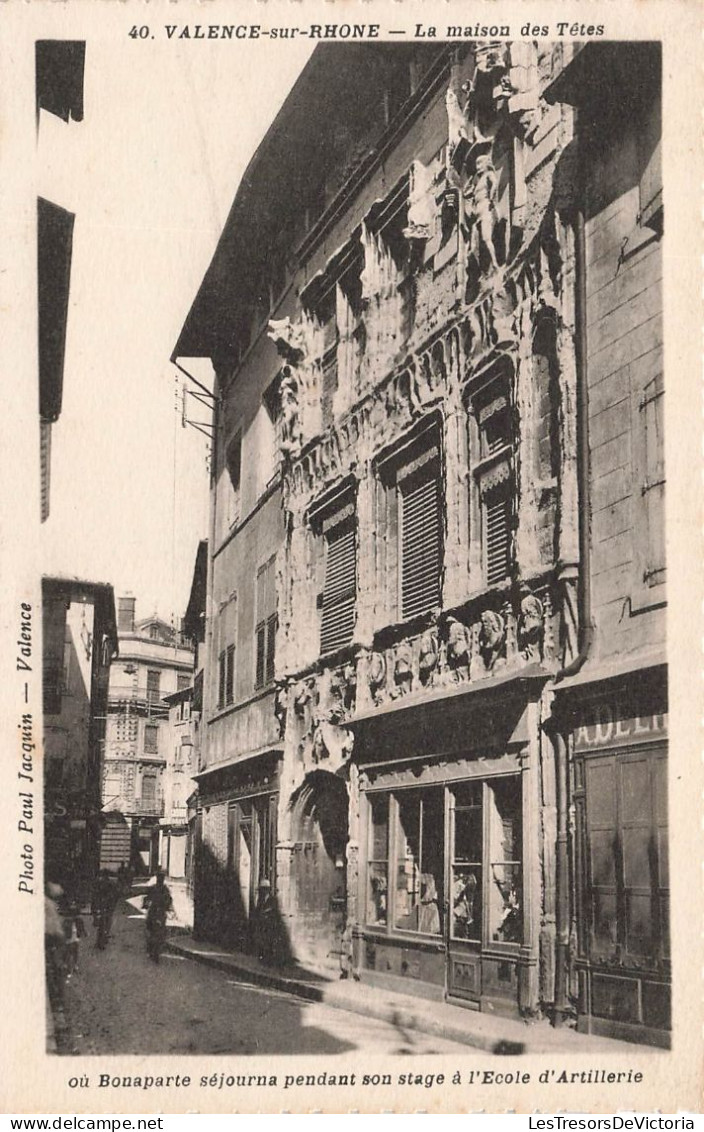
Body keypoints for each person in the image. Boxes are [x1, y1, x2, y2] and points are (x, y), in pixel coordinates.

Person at [143, 871, 173, 963]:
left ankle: (151, 948)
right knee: (155, 931)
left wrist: (145, 905)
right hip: (158, 913)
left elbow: (146, 899)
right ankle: (153, 948)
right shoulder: (164, 889)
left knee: (154, 931)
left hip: (155, 912)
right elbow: (169, 900)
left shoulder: (155, 888)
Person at [91, 869, 118, 949]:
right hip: (106, 906)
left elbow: (95, 896)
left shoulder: (100, 884)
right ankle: (103, 940)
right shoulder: (111, 884)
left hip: (103, 906)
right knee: (105, 924)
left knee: (102, 924)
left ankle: (101, 941)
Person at [62, 899, 86, 978]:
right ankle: (68, 967)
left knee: (75, 951)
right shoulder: (67, 922)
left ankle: (74, 965)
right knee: (68, 952)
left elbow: (81, 927)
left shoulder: (78, 920)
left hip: (75, 937)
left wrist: (83, 932)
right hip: (69, 937)